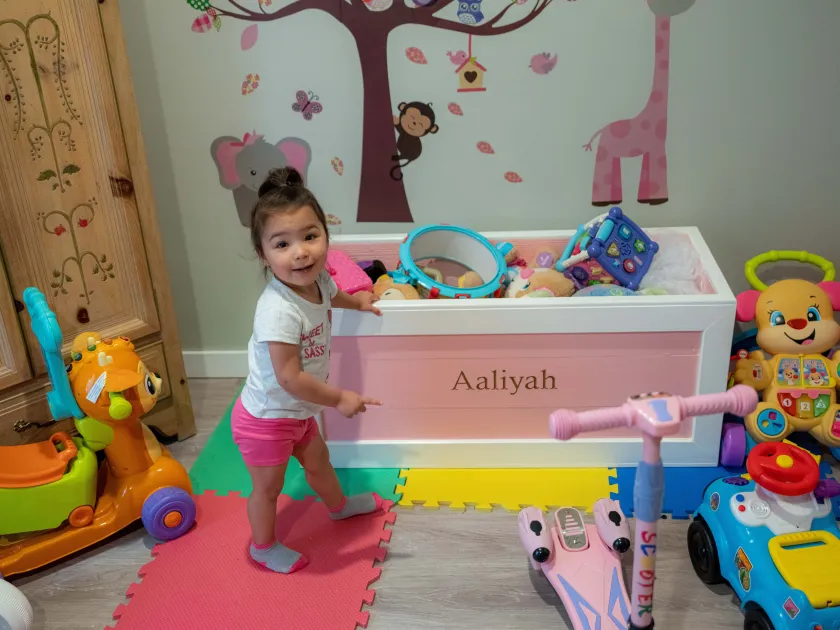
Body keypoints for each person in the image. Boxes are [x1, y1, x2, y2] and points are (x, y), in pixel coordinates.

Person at [232, 166, 384, 574]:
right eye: (283, 244)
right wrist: (340, 399)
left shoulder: (318, 282)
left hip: (297, 412)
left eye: (310, 236)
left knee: (319, 462)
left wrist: (361, 302)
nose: (300, 252)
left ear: (326, 238)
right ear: (264, 255)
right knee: (268, 489)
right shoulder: (277, 311)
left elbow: (335, 298)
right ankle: (262, 548)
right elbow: (290, 378)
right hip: (266, 418)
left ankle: (337, 507)